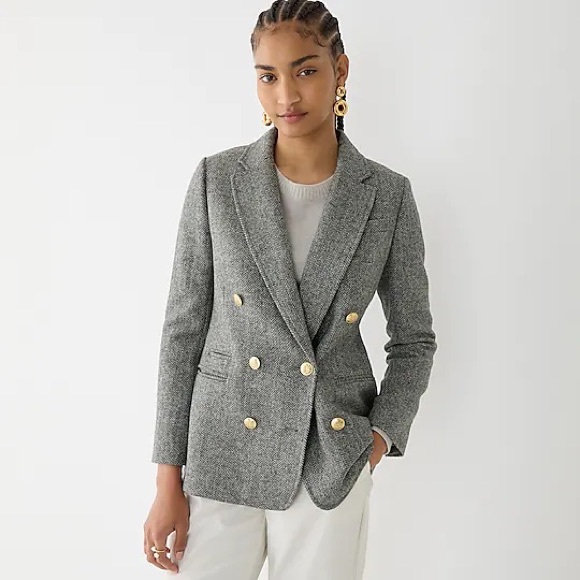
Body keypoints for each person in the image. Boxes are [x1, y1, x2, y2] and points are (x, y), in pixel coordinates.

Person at [143, 1, 437, 578]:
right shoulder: (217, 180)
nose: (286, 95)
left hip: (329, 455)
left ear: (340, 70)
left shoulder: (387, 196)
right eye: (268, 76)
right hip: (222, 447)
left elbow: (414, 341)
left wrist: (377, 439)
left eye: (305, 70)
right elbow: (183, 332)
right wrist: (166, 480)